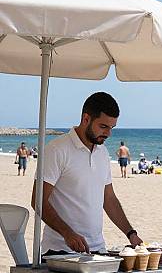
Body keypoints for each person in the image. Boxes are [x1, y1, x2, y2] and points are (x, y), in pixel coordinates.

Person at [31, 92, 143, 255]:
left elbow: (109, 199)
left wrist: (131, 234)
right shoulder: (56, 150)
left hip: (97, 249)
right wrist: (67, 234)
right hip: (59, 250)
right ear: (86, 119)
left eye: (111, 128)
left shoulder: (102, 152)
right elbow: (38, 200)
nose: (108, 134)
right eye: (103, 126)